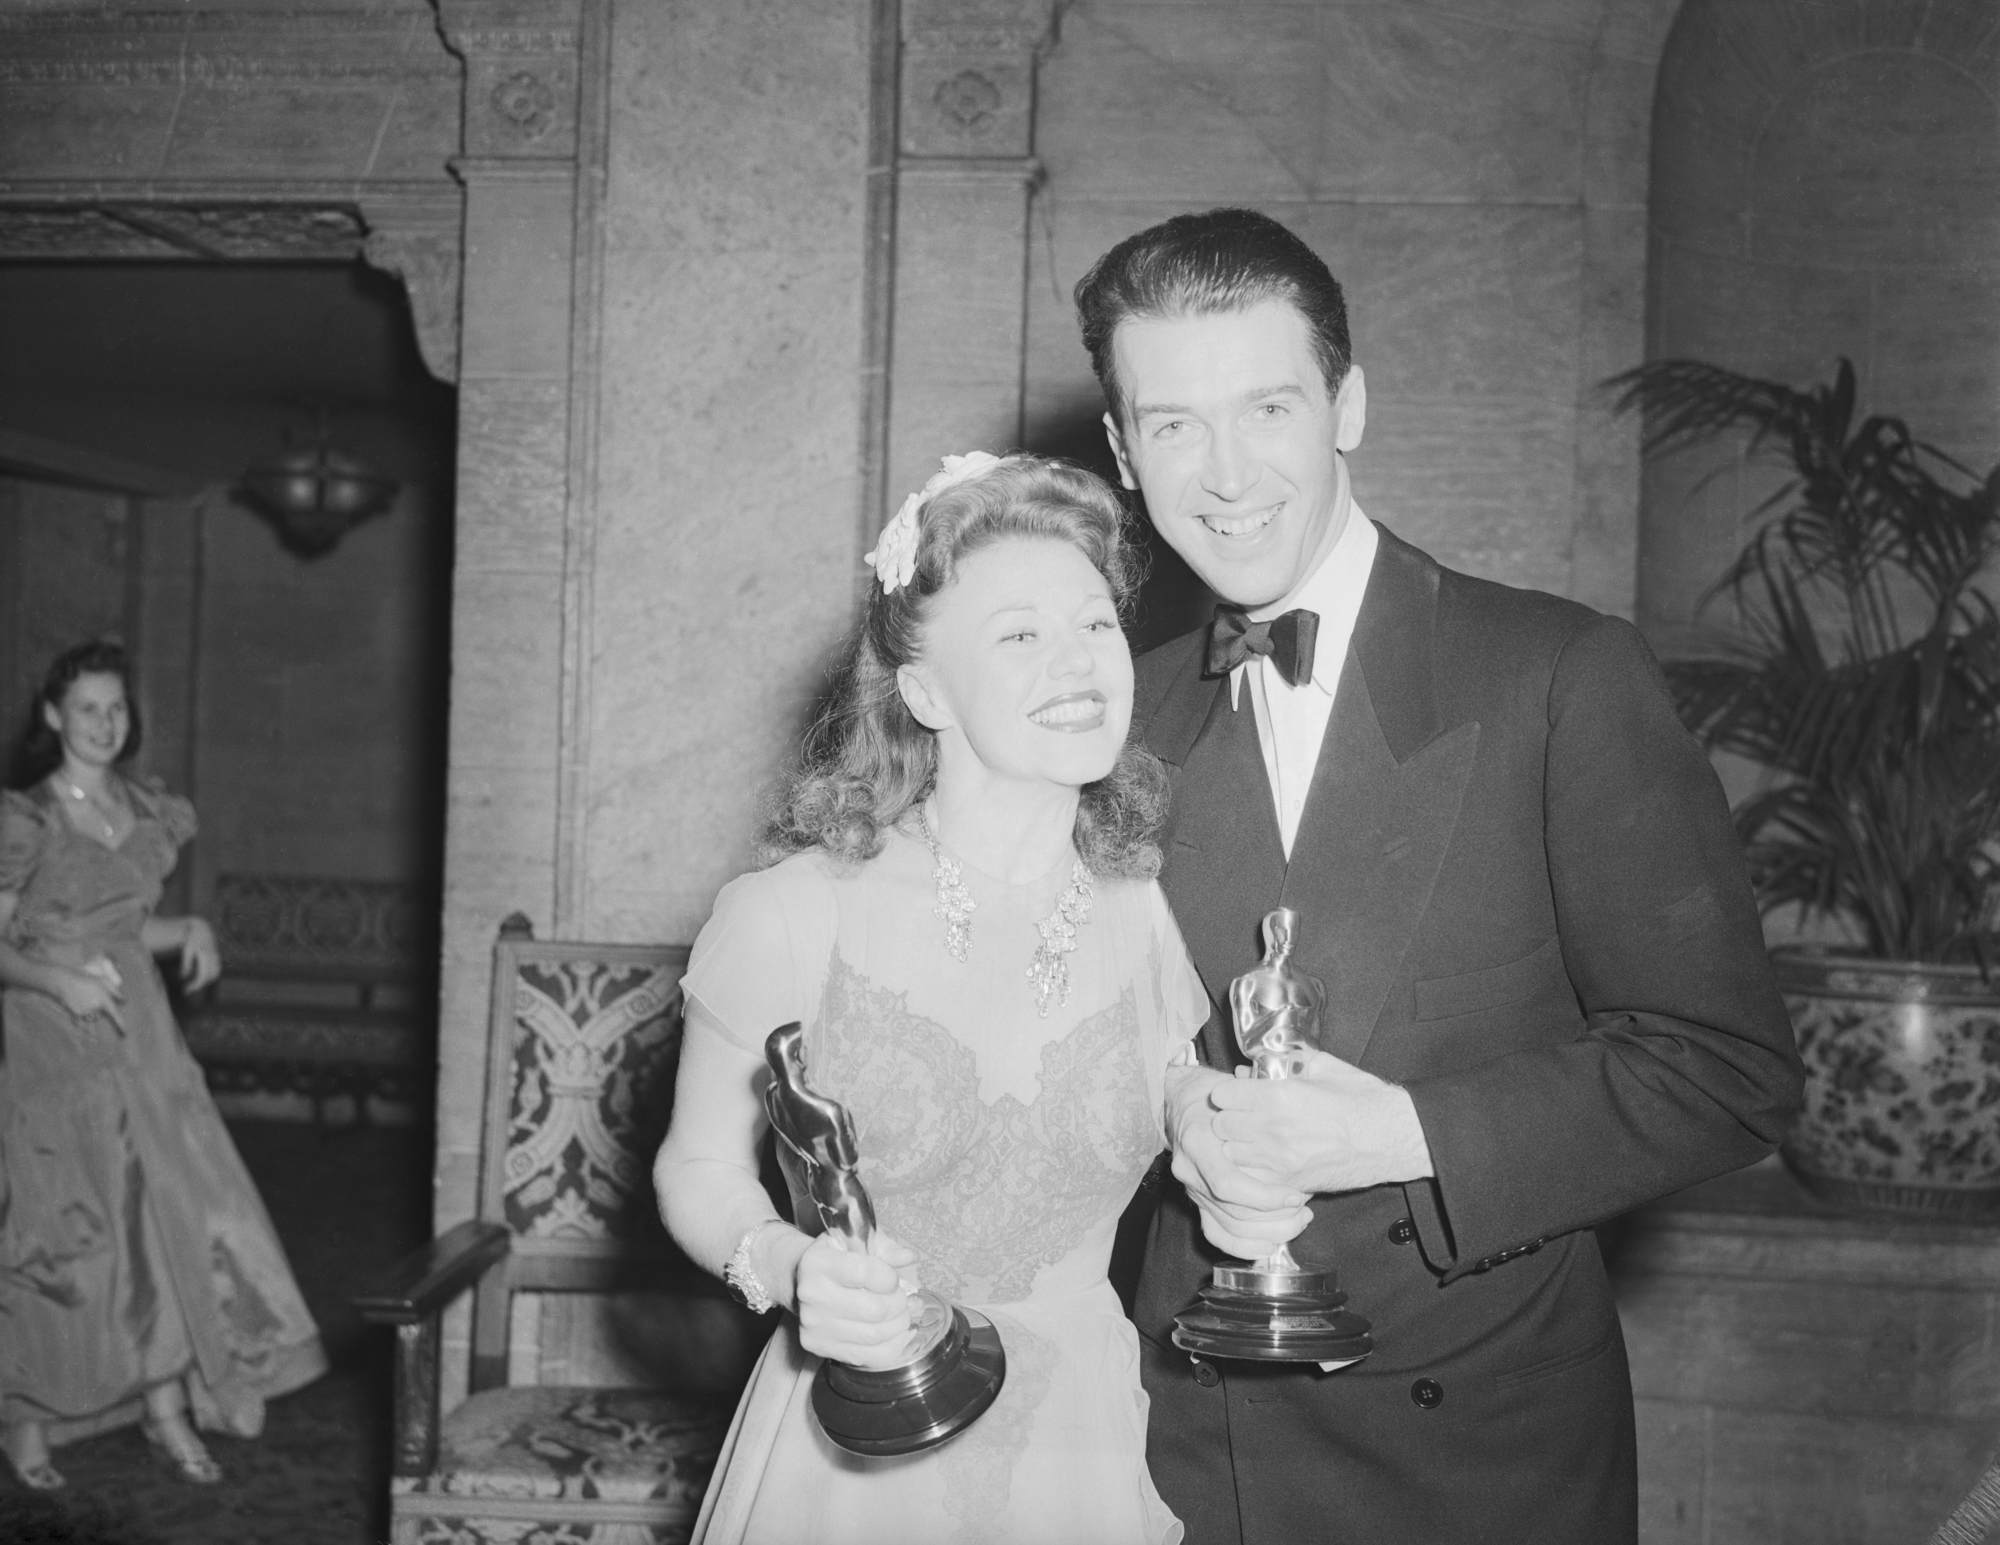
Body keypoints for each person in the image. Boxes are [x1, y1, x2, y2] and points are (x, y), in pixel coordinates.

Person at [1072, 208, 1805, 1544]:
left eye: (1271, 406)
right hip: (1186, 1457)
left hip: (1481, 1466)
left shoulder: (1558, 677)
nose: (1227, 473)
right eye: (1173, 423)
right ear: (1122, 451)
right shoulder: (1110, 715)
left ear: (1348, 404)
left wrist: (1398, 1136)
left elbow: (1728, 1070)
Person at [653, 452, 1211, 1545]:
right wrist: (789, 1265)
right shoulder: (789, 911)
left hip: (1077, 1450)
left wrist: (1238, 1160)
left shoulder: (1141, 912)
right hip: (853, 1457)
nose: (1078, 663)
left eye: (1095, 625)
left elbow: (1182, 1108)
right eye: (1018, 636)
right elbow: (697, 1165)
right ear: (922, 691)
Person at [0, 641, 326, 1492]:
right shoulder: (24, 817)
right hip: (49, 1038)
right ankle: (26, 1417)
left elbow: (116, 923)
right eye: (87, 710)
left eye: (116, 709)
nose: (105, 725)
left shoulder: (144, 808)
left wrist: (188, 929)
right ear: (52, 716)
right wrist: (59, 981)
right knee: (64, 1229)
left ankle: (166, 1406)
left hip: (140, 1034)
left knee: (161, 1217)